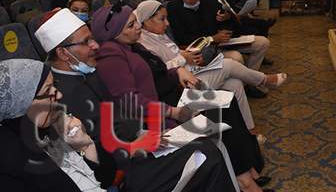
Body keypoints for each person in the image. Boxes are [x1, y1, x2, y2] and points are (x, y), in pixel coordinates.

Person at [89, 4, 271, 191]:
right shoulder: (112, 56)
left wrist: (176, 72)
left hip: (164, 106)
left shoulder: (129, 46)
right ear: (114, 32)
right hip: (154, 121)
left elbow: (156, 73)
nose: (137, 26)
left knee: (226, 101)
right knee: (217, 121)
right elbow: (131, 101)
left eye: (135, 21)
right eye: (130, 25)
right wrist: (173, 112)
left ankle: (248, 175)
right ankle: (246, 182)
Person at [0, 57, 237, 192]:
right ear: (22, 103)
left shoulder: (47, 124)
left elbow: (106, 175)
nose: (58, 95)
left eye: (55, 87)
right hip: (126, 163)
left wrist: (86, 146)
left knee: (206, 152)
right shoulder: (11, 159)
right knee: (205, 156)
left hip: (121, 163)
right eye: (48, 91)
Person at [136, 0, 286, 132]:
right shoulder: (143, 43)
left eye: (166, 18)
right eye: (162, 19)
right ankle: (263, 80)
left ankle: (248, 130)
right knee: (228, 64)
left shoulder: (158, 34)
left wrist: (188, 55)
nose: (167, 23)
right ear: (147, 21)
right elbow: (160, 70)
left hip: (191, 73)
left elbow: (173, 52)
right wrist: (183, 58)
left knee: (235, 84)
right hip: (180, 87)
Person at [167, 0, 271, 74]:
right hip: (204, 49)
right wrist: (211, 39)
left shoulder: (209, 0)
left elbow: (230, 23)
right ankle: (249, 79)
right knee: (236, 57)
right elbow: (181, 38)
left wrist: (228, 18)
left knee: (263, 42)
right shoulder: (173, 8)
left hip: (223, 42)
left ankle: (249, 78)